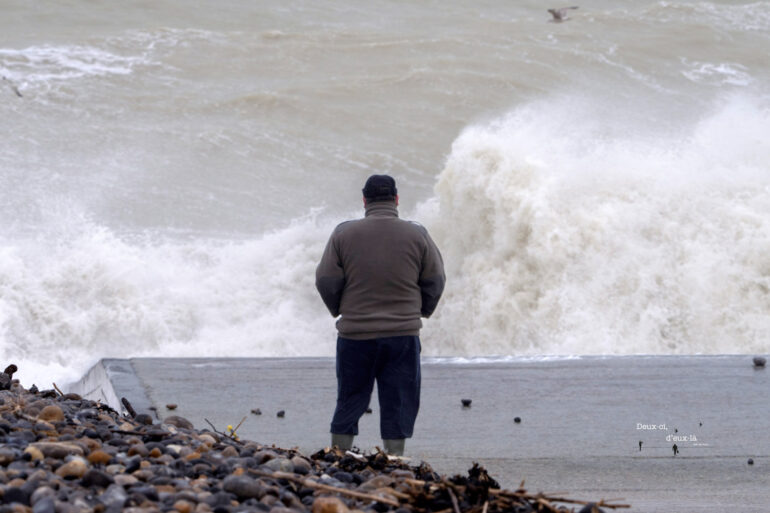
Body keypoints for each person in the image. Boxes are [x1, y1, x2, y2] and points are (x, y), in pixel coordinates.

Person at [315, 174, 445, 456]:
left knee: (350, 397)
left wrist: (339, 309)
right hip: (402, 335)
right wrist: (422, 311)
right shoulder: (417, 233)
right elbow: (435, 279)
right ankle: (395, 459)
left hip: (355, 335)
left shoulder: (342, 234)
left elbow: (325, 279)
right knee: (399, 398)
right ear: (396, 200)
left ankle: (338, 456)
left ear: (364, 201)